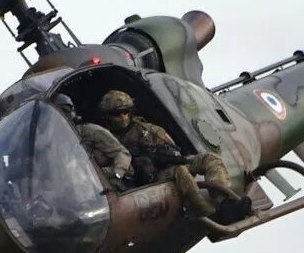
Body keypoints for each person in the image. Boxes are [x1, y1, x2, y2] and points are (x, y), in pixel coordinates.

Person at [99, 90, 252, 222]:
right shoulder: (105, 140)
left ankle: (223, 202)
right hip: (144, 182)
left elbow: (172, 149)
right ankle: (210, 213)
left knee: (209, 159)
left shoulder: (146, 129)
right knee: (180, 171)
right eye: (117, 114)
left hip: (166, 166)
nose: (123, 117)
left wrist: (166, 154)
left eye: (126, 112)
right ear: (107, 116)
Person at [55, 94, 134, 189]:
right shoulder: (50, 142)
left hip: (109, 180)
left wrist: (116, 176)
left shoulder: (90, 131)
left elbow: (123, 153)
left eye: (64, 112)